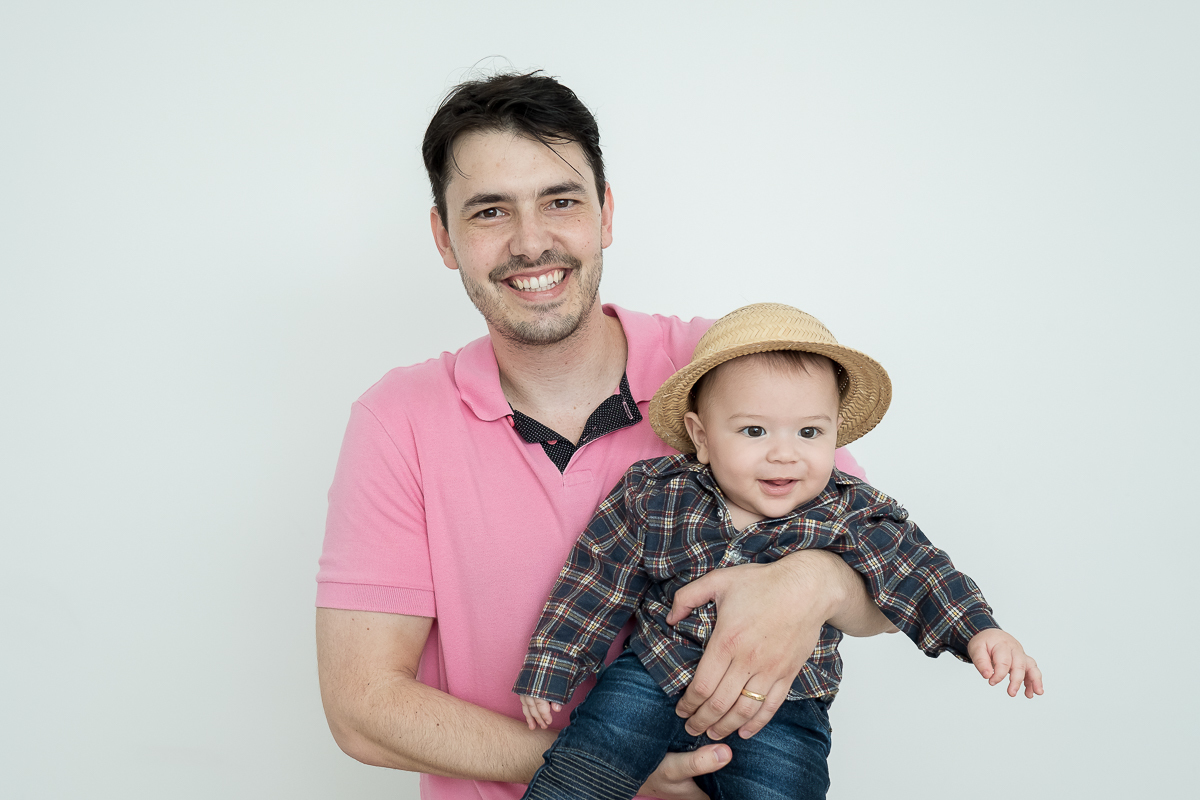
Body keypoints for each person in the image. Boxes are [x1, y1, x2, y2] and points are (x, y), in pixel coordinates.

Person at [315, 72, 896, 800]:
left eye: (560, 201)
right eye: (491, 211)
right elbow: (362, 708)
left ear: (606, 213)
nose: (532, 242)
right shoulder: (397, 419)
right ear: (444, 237)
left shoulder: (727, 367)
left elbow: (883, 582)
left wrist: (811, 579)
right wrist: (606, 768)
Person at [515, 303, 1043, 800]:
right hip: (654, 672)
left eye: (809, 432)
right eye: (754, 430)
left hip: (781, 704)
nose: (784, 453)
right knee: (588, 758)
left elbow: (915, 570)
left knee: (783, 785)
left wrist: (978, 630)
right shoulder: (658, 491)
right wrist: (553, 664)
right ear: (701, 436)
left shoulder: (849, 510)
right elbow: (596, 578)